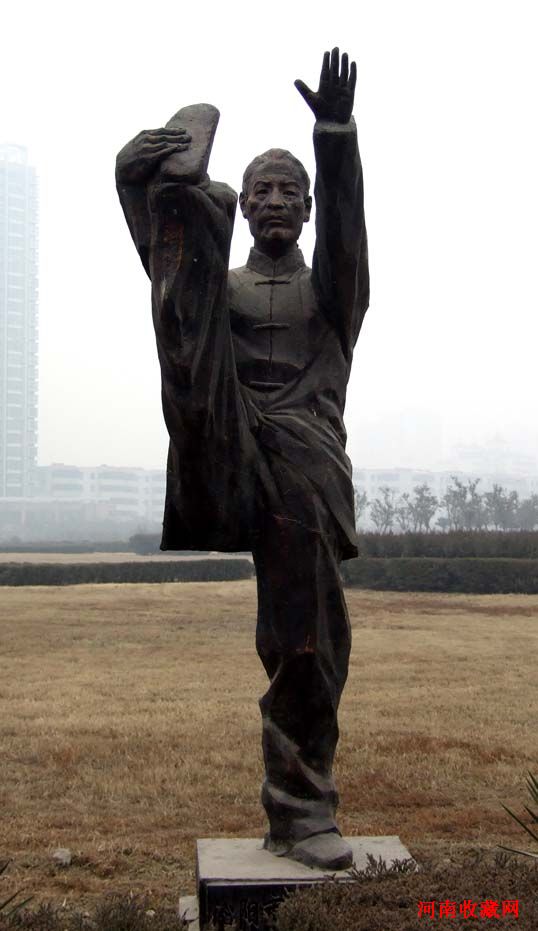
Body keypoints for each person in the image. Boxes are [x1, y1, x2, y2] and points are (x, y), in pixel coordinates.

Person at [116, 47, 369, 870]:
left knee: (308, 638)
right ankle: (302, 813)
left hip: (306, 469)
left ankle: (300, 812)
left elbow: (349, 236)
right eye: (259, 190)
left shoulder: (331, 292)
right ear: (248, 205)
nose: (273, 201)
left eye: (288, 191)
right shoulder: (221, 289)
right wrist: (137, 185)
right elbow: (171, 283)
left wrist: (335, 138)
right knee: (185, 310)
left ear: (307, 208)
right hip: (231, 442)